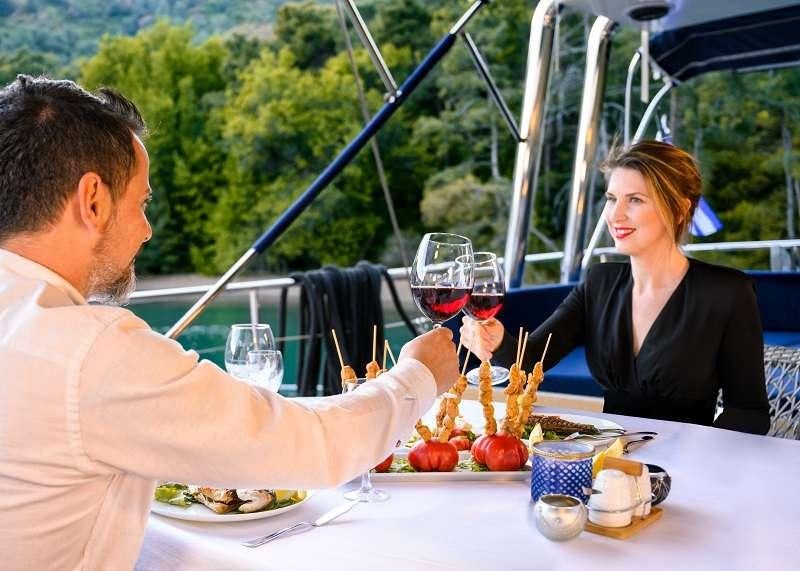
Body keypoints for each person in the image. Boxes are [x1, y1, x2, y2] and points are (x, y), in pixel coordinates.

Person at [0, 75, 460, 569]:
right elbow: (315, 446)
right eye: (142, 203)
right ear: (93, 199)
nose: (147, 230)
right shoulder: (90, 353)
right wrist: (417, 376)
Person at [461, 140, 770, 435]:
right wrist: (496, 340)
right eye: (611, 199)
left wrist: (698, 454)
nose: (614, 215)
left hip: (685, 463)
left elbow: (749, 413)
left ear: (678, 209)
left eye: (635, 200)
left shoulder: (727, 292)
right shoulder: (599, 283)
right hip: (611, 459)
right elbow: (528, 362)